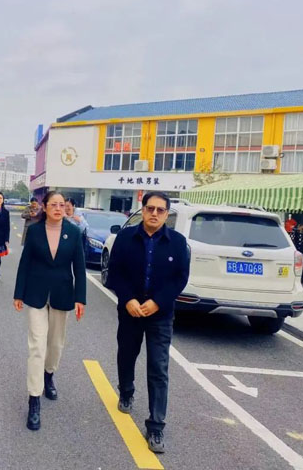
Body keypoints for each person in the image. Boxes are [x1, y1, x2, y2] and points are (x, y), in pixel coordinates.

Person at [107, 191, 189, 453]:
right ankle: (126, 391)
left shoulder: (178, 243)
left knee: (158, 368)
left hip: (160, 315)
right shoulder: (125, 237)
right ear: (142, 210)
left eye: (160, 210)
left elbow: (180, 278)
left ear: (166, 214)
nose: (154, 213)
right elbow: (114, 271)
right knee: (126, 355)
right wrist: (128, 299)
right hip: (130, 311)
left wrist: (158, 302)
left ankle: (156, 426)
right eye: (150, 208)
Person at [13, 191, 86, 431]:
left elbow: (79, 267)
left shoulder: (73, 232)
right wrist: (18, 293)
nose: (58, 208)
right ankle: (34, 399)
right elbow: (25, 263)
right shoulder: (34, 231)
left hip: (62, 294)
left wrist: (80, 298)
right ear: (45, 207)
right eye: (53, 204)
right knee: (37, 345)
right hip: (36, 293)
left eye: (62, 205)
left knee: (55, 345)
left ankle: (49, 374)